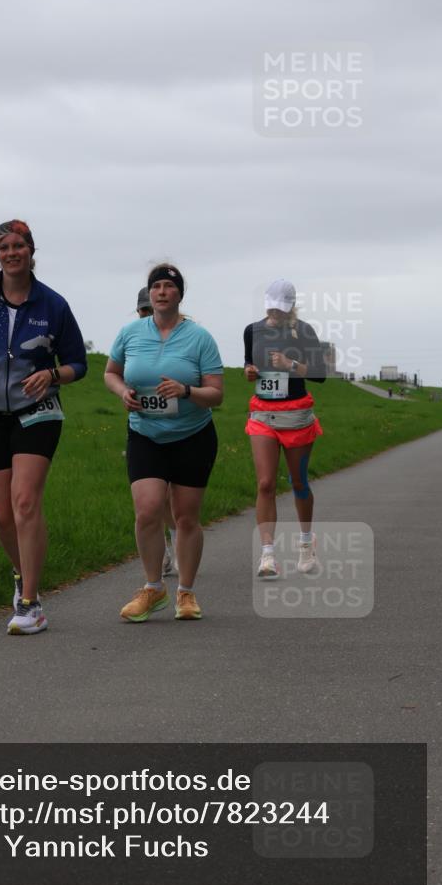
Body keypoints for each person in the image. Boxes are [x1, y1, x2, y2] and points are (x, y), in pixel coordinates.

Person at [0, 219, 87, 634]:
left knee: (25, 502)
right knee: (0, 516)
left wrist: (53, 376)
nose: (11, 253)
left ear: (32, 251)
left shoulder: (53, 305)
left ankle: (31, 604)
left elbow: (78, 362)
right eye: (3, 246)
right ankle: (19, 572)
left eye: (19, 246)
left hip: (37, 413)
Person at [105, 265, 223, 621]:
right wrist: (123, 391)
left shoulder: (200, 338)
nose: (161, 292)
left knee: (186, 517)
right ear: (149, 294)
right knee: (147, 510)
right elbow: (110, 373)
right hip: (145, 434)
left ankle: (186, 593)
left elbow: (216, 394)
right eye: (155, 286)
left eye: (168, 286)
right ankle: (153, 588)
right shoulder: (130, 333)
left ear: (179, 294)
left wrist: (186, 390)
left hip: (193, 436)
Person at [243, 279, 326, 579]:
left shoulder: (303, 331)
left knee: (298, 481)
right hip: (263, 413)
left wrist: (291, 365)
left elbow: (320, 374)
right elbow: (248, 363)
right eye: (271, 307)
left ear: (291, 306)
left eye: (281, 308)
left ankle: (306, 542)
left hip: (296, 415)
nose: (275, 313)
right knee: (265, 483)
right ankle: (267, 555)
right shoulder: (252, 330)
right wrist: (249, 370)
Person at [136, 287, 178, 576]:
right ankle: (164, 549)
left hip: (180, 427)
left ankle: (178, 540)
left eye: (149, 311)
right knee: (153, 498)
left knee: (172, 496)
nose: (148, 316)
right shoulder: (133, 338)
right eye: (143, 311)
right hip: (146, 427)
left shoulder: (179, 336)